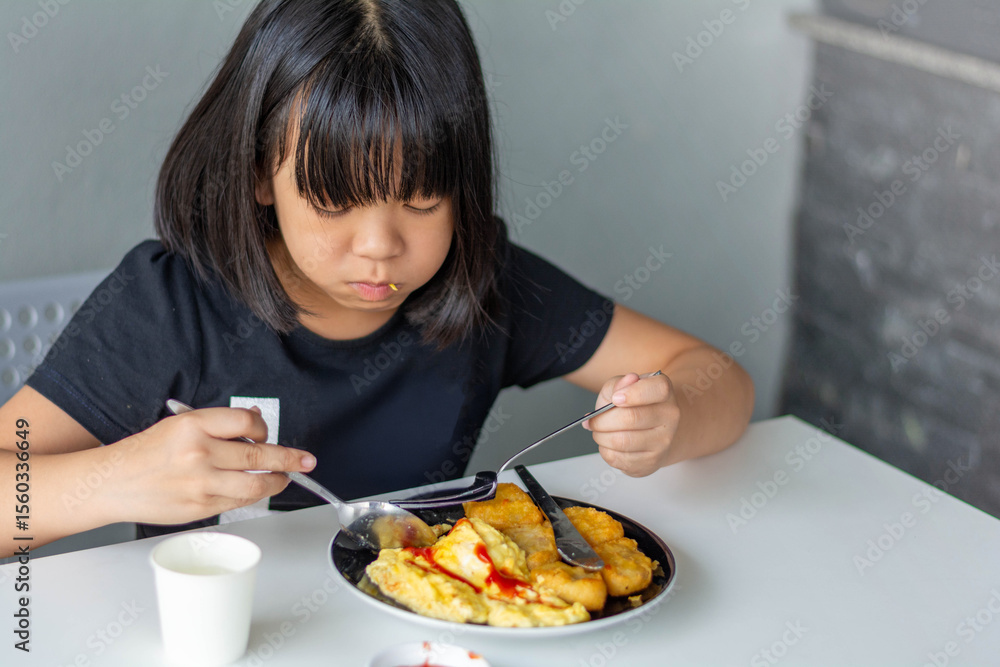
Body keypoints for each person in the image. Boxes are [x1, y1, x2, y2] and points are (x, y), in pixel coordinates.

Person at [0, 0, 753, 558]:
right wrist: (114, 479)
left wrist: (672, 416)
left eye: (422, 202)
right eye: (333, 203)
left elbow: (720, 379)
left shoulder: (483, 282)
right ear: (260, 174)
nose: (379, 248)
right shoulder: (169, 305)